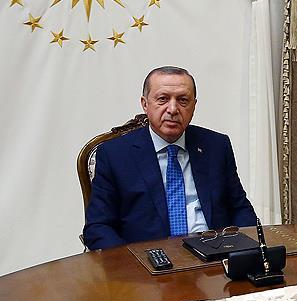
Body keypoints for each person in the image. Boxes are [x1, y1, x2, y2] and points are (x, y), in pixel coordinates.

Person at [83, 66, 256, 250]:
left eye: (183, 100)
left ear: (194, 106)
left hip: (215, 256)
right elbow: (98, 227)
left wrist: (245, 251)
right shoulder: (115, 154)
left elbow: (240, 208)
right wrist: (132, 262)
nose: (173, 109)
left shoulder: (216, 146)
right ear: (145, 104)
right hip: (149, 261)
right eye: (163, 99)